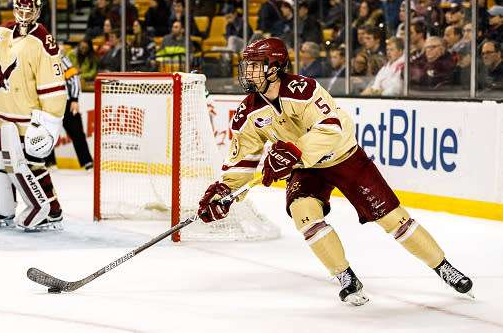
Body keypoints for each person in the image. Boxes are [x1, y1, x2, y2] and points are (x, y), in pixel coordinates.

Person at [196, 37, 473, 305]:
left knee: (393, 219)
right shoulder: (248, 112)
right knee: (304, 215)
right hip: (306, 169)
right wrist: (226, 191)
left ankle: (444, 267)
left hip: (344, 157)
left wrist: (293, 151)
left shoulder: (304, 90)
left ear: (275, 67)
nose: (248, 71)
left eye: (256, 65)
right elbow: (242, 159)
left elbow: (330, 128)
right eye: (248, 65)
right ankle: (346, 278)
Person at [0, 0, 67, 231]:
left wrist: (51, 122)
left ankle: (51, 210)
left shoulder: (43, 40)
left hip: (26, 118)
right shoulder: (0, 33)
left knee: (30, 164)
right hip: (0, 116)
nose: (24, 14)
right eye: (21, 9)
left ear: (37, 12)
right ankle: (2, 206)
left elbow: (53, 85)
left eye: (29, 10)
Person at [45, 49, 94, 170]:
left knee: (77, 132)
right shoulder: (40, 61)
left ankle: (88, 162)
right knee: (46, 133)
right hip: (47, 103)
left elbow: (74, 78)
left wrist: (74, 99)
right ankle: (50, 163)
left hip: (65, 102)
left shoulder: (61, 60)